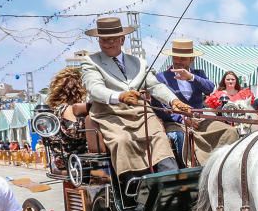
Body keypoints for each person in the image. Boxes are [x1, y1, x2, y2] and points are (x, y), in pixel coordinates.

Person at [80, 17, 194, 188]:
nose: (108, 43)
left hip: (142, 114)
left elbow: (155, 86)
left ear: (122, 39)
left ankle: (171, 187)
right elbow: (94, 88)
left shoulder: (139, 62)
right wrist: (120, 96)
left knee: (159, 138)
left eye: (112, 39)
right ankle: (133, 190)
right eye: (103, 40)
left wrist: (174, 101)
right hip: (110, 115)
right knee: (122, 140)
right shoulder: (91, 62)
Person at [153, 38, 237, 165]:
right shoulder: (162, 77)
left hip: (199, 119)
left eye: (183, 58)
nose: (179, 61)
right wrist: (182, 118)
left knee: (230, 131)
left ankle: (223, 165)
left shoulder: (198, 74)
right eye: (176, 58)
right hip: (175, 122)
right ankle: (190, 169)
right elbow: (159, 105)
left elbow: (210, 88)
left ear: (191, 59)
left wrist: (191, 78)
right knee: (181, 136)